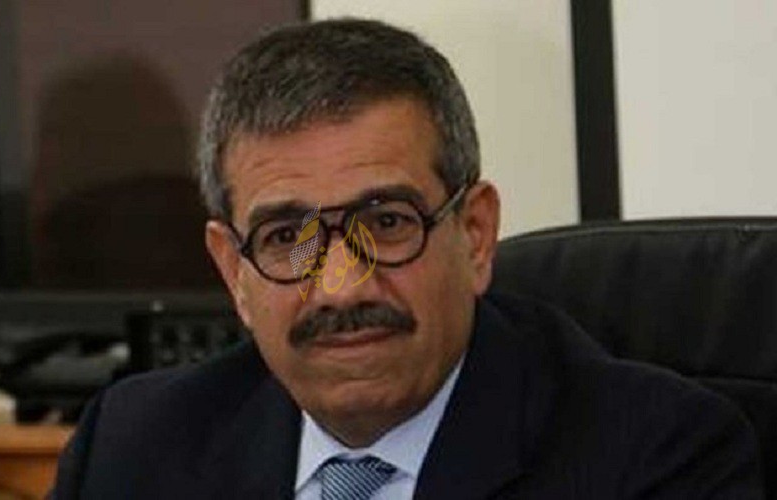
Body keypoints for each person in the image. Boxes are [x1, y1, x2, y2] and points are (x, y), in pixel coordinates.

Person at [50, 19, 763, 499]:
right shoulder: (134, 449)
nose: (340, 287)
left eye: (385, 223)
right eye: (287, 237)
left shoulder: (658, 458)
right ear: (234, 271)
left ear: (475, 235)